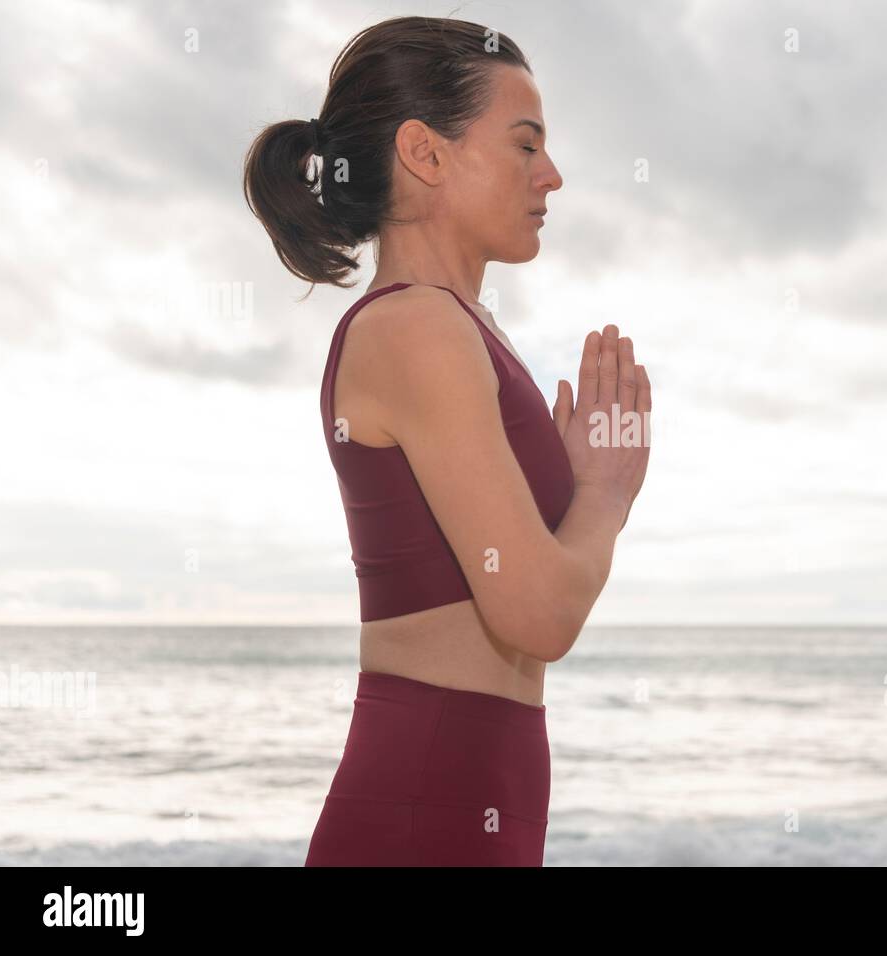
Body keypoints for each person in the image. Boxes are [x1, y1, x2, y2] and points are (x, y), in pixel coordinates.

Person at [242, 15, 651, 866]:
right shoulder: (416, 327)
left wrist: (582, 493)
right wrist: (605, 498)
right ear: (426, 154)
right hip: (426, 802)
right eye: (524, 145)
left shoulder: (461, 329)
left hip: (478, 793)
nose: (553, 175)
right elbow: (536, 613)